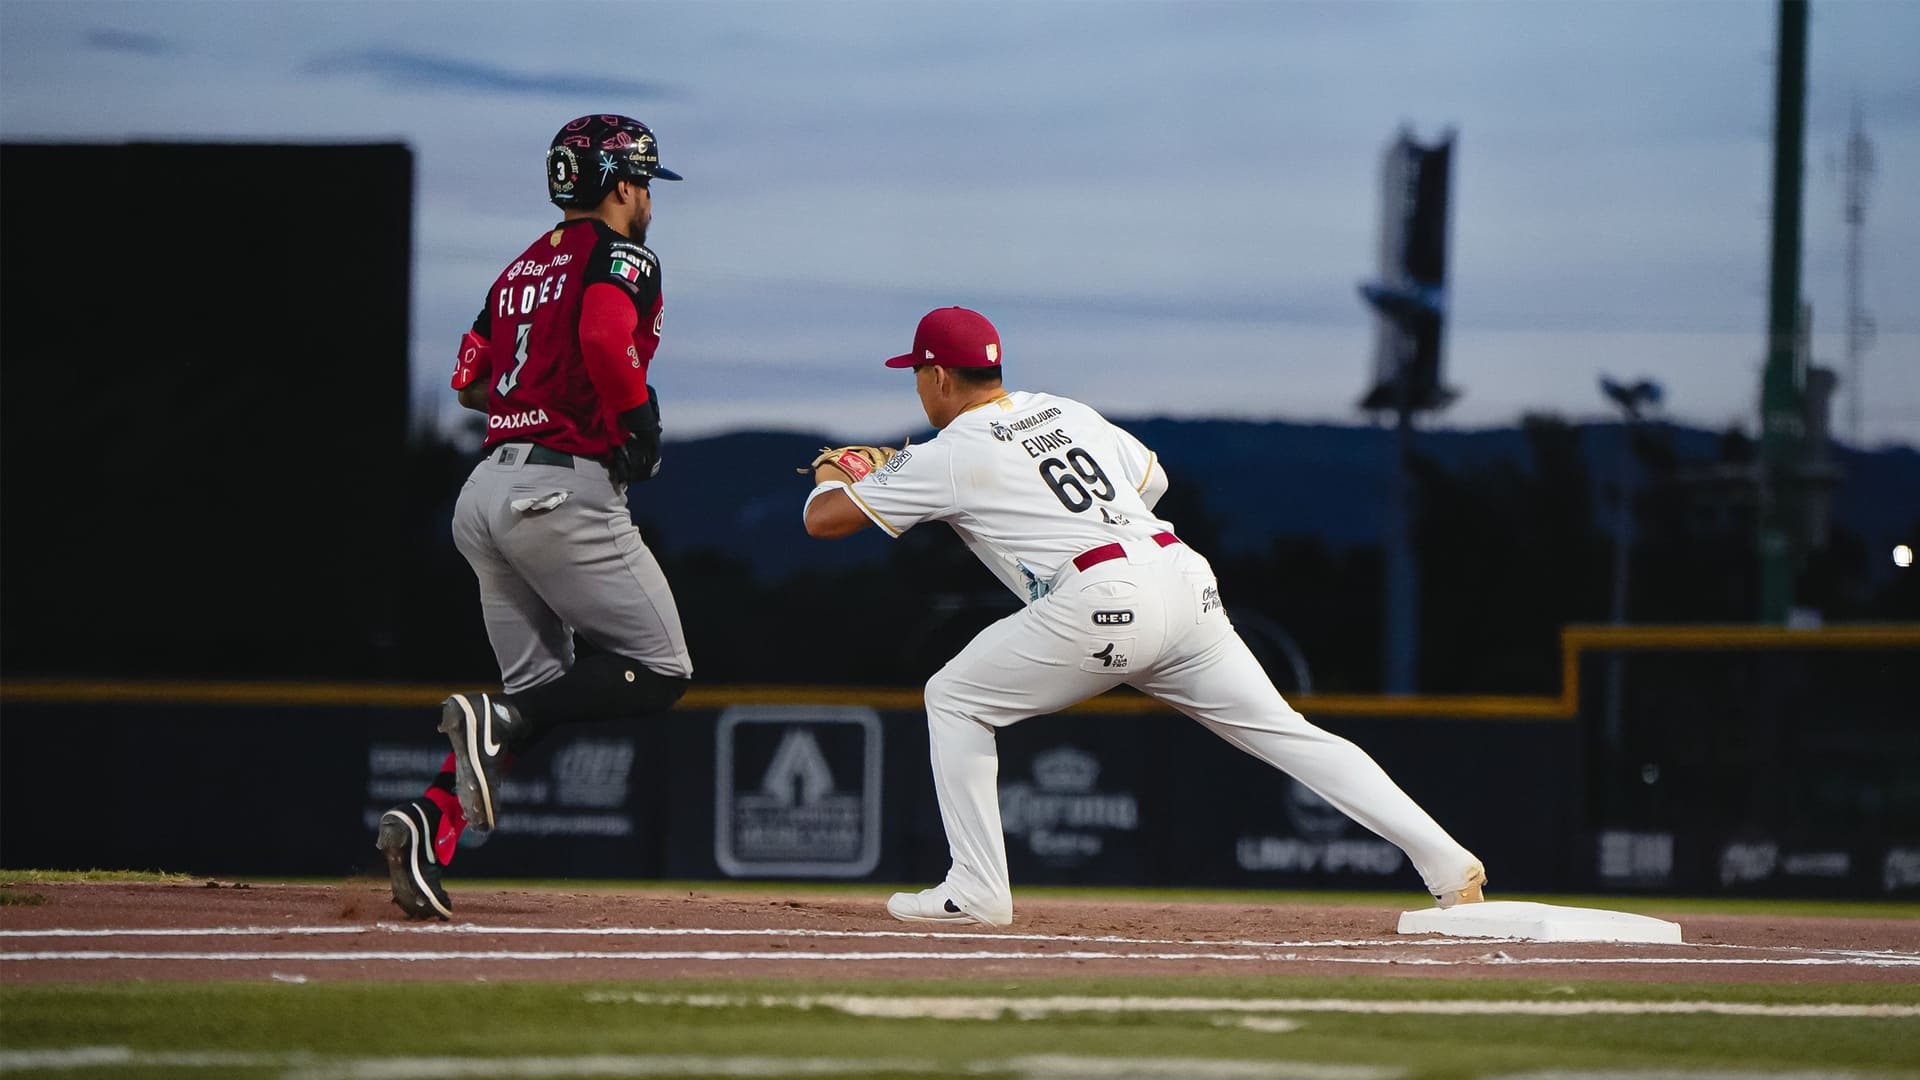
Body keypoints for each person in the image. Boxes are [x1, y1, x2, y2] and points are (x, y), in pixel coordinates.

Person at [801, 306, 1486, 926]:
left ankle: (977, 888)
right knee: (1289, 732)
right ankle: (1448, 864)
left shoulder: (949, 451)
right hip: (1181, 576)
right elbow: (1151, 483)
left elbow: (823, 521)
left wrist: (843, 468)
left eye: (919, 376)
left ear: (940, 377)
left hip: (1101, 597)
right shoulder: (1065, 411)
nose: (919, 389)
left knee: (954, 697)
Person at [376, 114, 694, 919]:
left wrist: (544, 399)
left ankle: (428, 823)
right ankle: (495, 720)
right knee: (660, 672)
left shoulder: (519, 269)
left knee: (544, 694)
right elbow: (600, 331)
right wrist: (636, 419)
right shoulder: (623, 254)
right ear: (621, 184)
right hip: (557, 489)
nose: (649, 197)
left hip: (485, 493)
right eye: (644, 181)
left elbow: (471, 381)